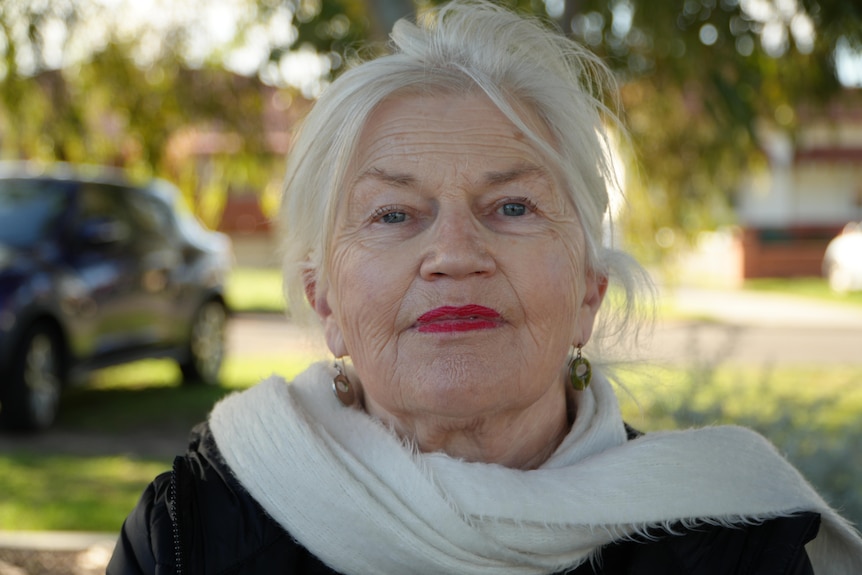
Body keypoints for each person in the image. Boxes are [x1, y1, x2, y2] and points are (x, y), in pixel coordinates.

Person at [108, 1, 862, 573]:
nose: (454, 254)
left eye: (512, 206)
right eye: (395, 212)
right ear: (324, 301)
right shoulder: (189, 531)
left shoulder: (733, 540)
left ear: (589, 290)